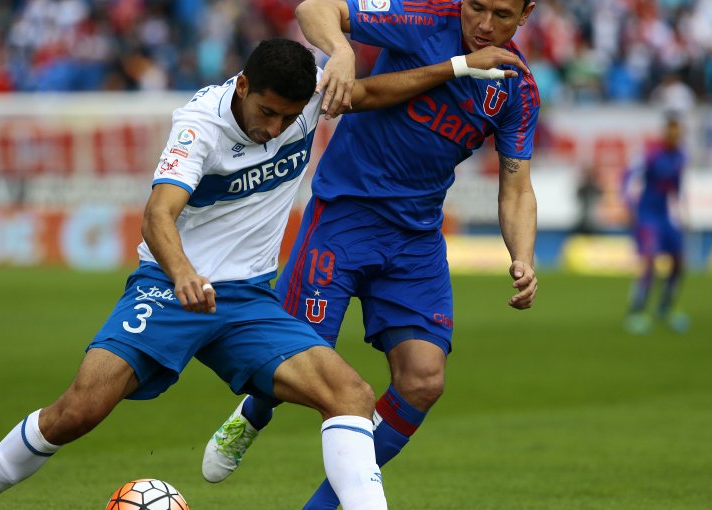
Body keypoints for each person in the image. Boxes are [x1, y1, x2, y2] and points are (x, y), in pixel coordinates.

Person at [0, 38, 527, 510]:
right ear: (243, 87)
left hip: (247, 301)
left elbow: (372, 91)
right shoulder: (200, 127)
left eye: (288, 118)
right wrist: (184, 273)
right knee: (78, 411)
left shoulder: (310, 99)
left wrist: (457, 66)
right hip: (170, 290)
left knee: (348, 394)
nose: (275, 129)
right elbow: (157, 214)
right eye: (267, 112)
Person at [202, 1, 540, 509]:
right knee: (301, 365)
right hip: (345, 214)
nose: (485, 25)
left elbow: (517, 187)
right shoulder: (424, 17)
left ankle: (326, 504)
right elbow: (316, 7)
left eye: (502, 15)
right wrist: (340, 51)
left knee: (424, 380)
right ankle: (254, 411)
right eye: (476, 7)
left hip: (417, 238)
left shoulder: (516, 86)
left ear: (526, 14)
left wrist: (523, 256)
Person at [622, 113, 688, 335]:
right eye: (672, 131)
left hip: (665, 215)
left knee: (679, 263)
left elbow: (677, 186)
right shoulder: (651, 154)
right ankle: (636, 311)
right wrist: (629, 205)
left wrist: (682, 213)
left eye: (679, 132)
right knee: (649, 261)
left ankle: (664, 308)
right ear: (665, 132)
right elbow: (627, 176)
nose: (676, 136)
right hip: (647, 215)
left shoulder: (680, 156)